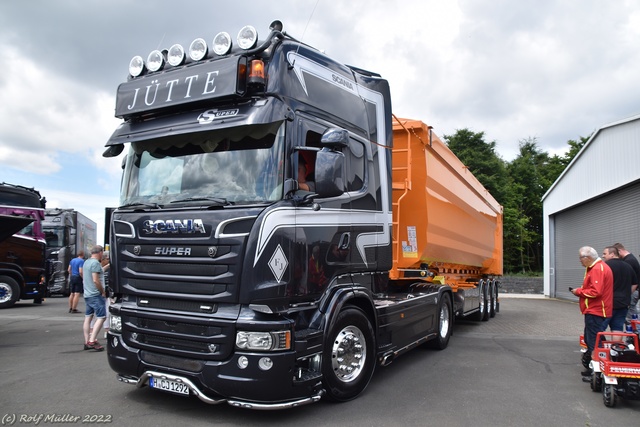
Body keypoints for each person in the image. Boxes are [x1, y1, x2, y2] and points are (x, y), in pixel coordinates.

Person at [570, 246, 613, 382]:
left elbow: (595, 292)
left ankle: (596, 372)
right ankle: (596, 368)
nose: (579, 261)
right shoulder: (597, 268)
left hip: (596, 311)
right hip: (596, 310)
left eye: (580, 258)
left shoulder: (597, 269)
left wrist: (578, 292)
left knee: (594, 342)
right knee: (595, 339)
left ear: (587, 258)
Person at [601, 246, 638, 333]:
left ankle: (597, 345)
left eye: (605, 254)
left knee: (599, 328)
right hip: (623, 303)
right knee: (617, 328)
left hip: (608, 304)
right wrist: (627, 294)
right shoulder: (628, 266)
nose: (603, 256)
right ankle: (616, 346)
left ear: (612, 254)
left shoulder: (605, 266)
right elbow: (635, 283)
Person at [82, 245, 106, 351]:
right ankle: (92, 341)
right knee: (102, 317)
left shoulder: (87, 262)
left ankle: (87, 341)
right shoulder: (96, 263)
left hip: (87, 294)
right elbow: (96, 280)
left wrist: (109, 265)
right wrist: (103, 292)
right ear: (100, 252)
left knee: (88, 317)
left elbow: (99, 271)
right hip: (96, 295)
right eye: (103, 253)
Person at [613, 243, 640, 321]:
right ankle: (636, 330)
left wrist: (627, 293)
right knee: (634, 312)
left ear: (620, 251)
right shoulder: (630, 259)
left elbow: (628, 279)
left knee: (628, 316)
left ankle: (635, 331)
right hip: (635, 291)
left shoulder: (628, 261)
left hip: (633, 291)